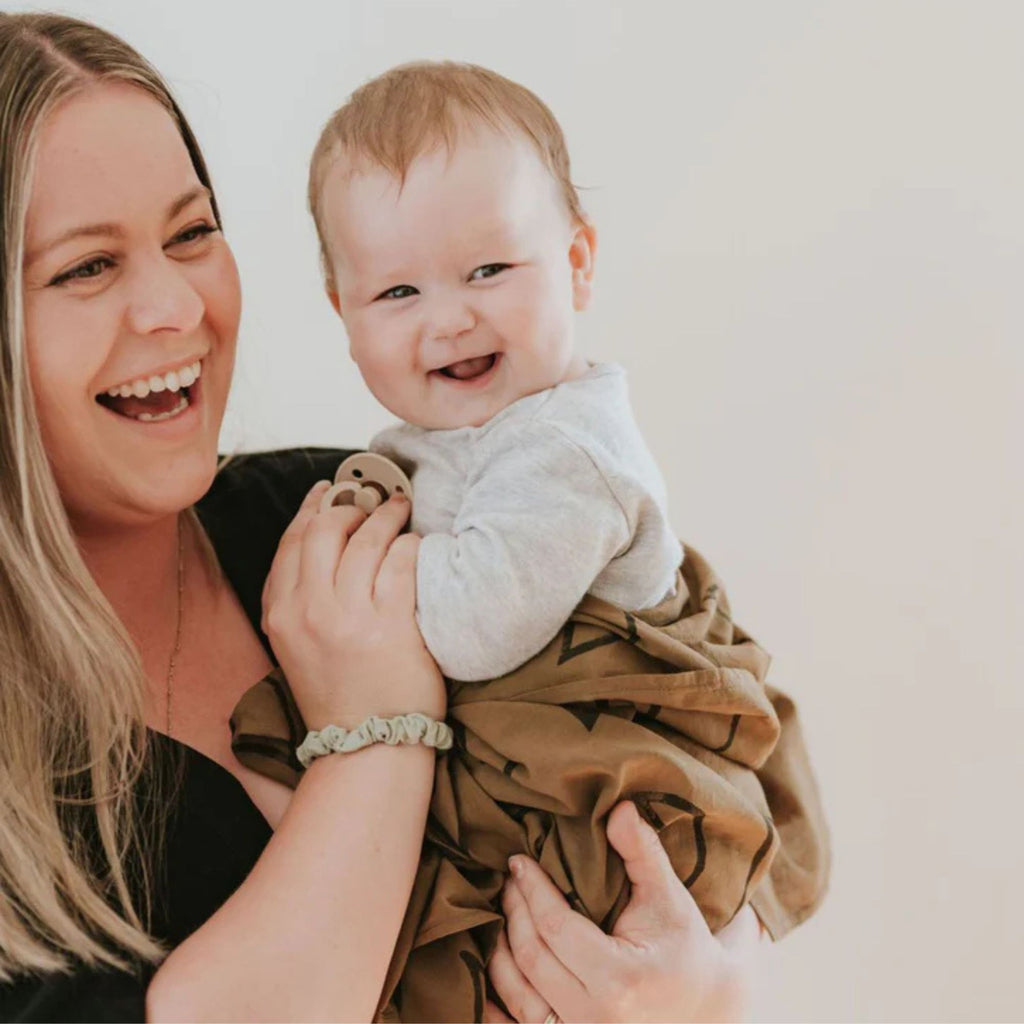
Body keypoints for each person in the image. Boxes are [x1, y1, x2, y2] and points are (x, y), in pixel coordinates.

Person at [0, 12, 763, 1023]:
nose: (176, 307)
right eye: (86, 267)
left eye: (192, 234)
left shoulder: (346, 511)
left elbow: (689, 724)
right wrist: (380, 733)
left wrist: (714, 990)